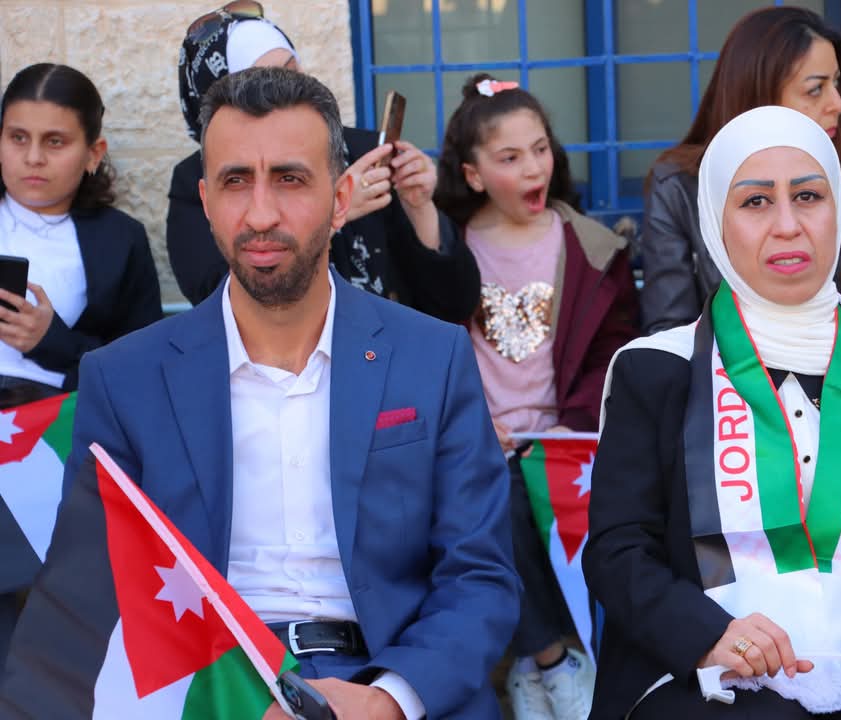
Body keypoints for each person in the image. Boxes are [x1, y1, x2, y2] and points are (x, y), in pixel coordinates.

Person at [1, 67, 518, 719]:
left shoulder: (432, 358)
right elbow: (91, 598)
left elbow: (480, 577)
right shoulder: (125, 379)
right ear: (207, 202)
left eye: (290, 179)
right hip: (209, 691)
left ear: (341, 199)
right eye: (236, 181)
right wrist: (236, 706)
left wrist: (387, 700)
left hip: (397, 682)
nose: (261, 214)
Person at [584, 106, 841, 718]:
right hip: (702, 674)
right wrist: (706, 635)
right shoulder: (658, 370)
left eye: (808, 196)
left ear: (839, 212)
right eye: (756, 202)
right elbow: (619, 550)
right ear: (715, 223)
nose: (788, 225)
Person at [433, 73, 639, 720]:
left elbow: (614, 354)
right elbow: (428, 353)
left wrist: (570, 427)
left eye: (541, 149)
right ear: (472, 174)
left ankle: (531, 667)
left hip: (570, 441)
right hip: (481, 440)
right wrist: (473, 424)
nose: (533, 168)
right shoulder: (448, 253)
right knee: (495, 497)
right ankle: (554, 661)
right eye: (510, 157)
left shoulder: (592, 251)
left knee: (547, 499)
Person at [168, 2, 480, 322]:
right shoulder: (194, 180)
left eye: (291, 72)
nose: (281, 92)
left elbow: (455, 301)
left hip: (388, 348)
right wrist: (332, 215)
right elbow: (216, 300)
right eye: (258, 84)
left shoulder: (366, 154)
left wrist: (420, 209)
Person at [0, 62, 162, 660]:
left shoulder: (119, 239)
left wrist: (54, 342)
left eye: (55, 142)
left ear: (93, 153)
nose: (33, 158)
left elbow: (145, 368)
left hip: (59, 444)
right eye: (18, 138)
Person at [640, 6, 841, 339]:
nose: (837, 103)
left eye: (836, 82)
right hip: (725, 367)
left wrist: (824, 364)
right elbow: (670, 329)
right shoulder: (678, 185)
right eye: (815, 89)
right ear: (758, 97)